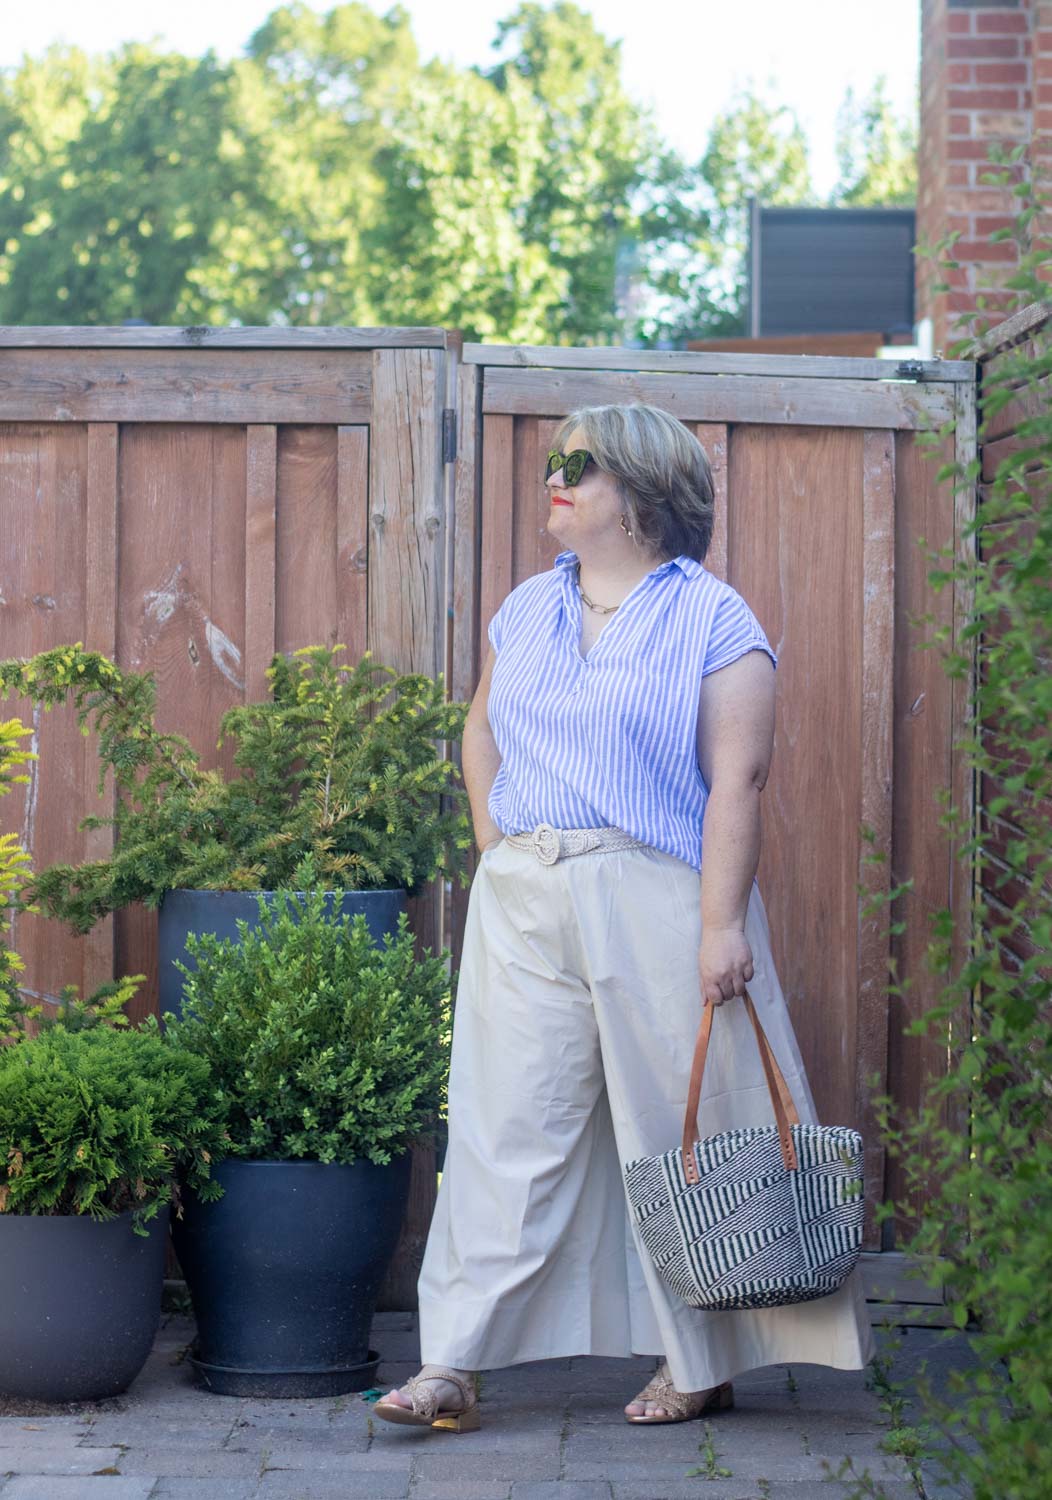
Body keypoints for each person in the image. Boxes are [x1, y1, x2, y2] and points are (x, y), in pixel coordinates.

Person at [374, 401, 875, 1433]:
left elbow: (737, 781)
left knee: (677, 1133)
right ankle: (451, 1363)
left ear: (642, 493)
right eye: (554, 459)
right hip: (526, 897)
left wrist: (720, 926)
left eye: (580, 462)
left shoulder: (712, 616)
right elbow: (481, 734)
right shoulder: (525, 609)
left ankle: (701, 1361)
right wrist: (498, 852)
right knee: (503, 1128)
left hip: (657, 889)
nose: (555, 474)